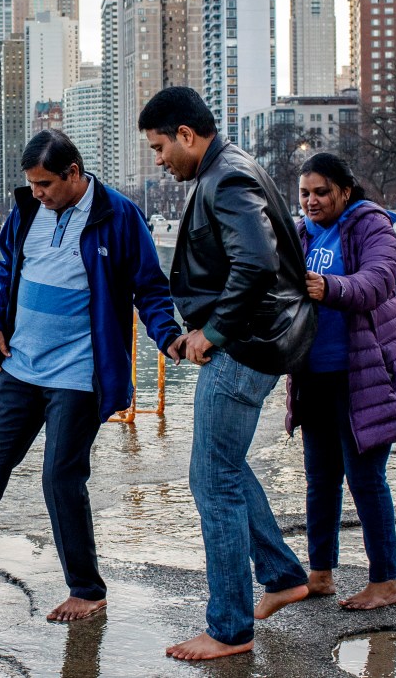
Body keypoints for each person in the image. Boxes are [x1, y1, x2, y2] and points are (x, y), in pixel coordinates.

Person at [0, 130, 181, 622]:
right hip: (19, 365)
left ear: (73, 174)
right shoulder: (27, 212)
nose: (37, 192)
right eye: (32, 184)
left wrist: (170, 337)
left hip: (78, 373)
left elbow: (150, 288)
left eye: (45, 184)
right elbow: (5, 269)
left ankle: (87, 589)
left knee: (61, 478)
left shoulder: (119, 215)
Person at [139, 87, 316, 661]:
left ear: (187, 135)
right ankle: (284, 575)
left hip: (245, 347)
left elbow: (258, 262)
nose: (159, 158)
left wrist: (211, 333)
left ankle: (230, 628)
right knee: (226, 468)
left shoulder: (227, 178)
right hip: (258, 341)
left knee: (211, 480)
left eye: (161, 146)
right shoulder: (226, 171)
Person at [290, 153, 396, 613]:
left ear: (345, 191)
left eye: (321, 192)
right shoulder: (300, 232)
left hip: (362, 375)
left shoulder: (370, 225)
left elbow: (380, 280)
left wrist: (329, 287)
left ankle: (385, 582)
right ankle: (321, 573)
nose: (311, 201)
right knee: (319, 478)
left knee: (365, 479)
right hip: (313, 375)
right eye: (305, 193)